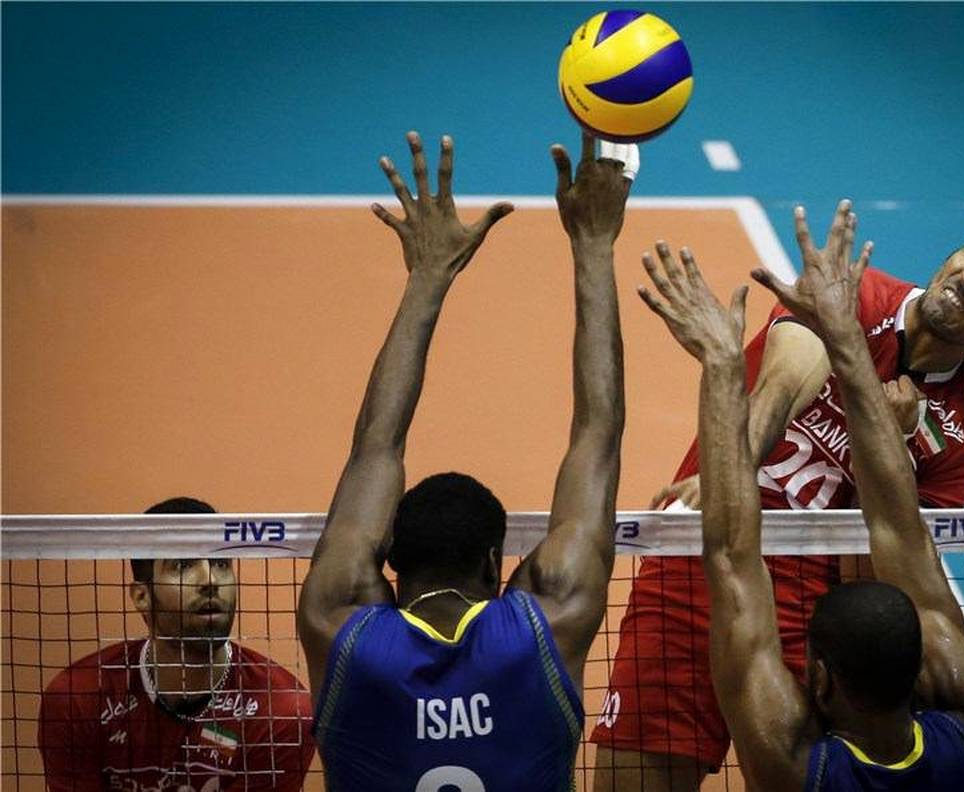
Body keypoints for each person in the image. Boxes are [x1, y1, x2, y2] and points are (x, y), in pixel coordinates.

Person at [592, 200, 964, 787]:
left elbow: (885, 566)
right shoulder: (858, 295)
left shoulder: (959, 441)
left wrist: (891, 450)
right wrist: (731, 469)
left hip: (819, 633)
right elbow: (784, 380)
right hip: (699, 572)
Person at [297, 131, 630, 790]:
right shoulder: (546, 624)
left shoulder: (340, 627)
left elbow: (375, 448)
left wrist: (428, 276)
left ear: (388, 559)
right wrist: (593, 243)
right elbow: (598, 434)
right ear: (494, 563)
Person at [38, 496, 316, 791]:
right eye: (183, 565)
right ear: (142, 596)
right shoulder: (76, 698)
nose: (210, 580)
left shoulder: (282, 711)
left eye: (221, 563)